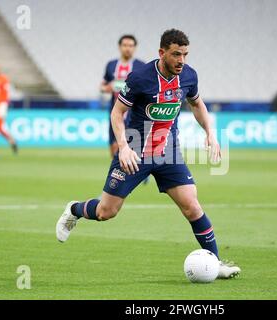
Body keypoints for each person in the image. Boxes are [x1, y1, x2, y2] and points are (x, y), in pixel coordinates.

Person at [57, 29, 241, 279]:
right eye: (176, 54)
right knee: (105, 212)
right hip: (134, 150)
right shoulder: (141, 77)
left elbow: (197, 104)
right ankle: (74, 210)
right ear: (162, 52)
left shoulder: (188, 76)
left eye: (185, 54)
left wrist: (210, 132)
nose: (181, 60)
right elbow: (116, 113)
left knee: (192, 207)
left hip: (168, 152)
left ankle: (215, 263)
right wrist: (122, 147)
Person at [101, 35, 145, 157]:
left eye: (131, 46)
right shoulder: (111, 65)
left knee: (135, 148)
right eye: (125, 45)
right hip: (115, 111)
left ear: (135, 48)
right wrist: (108, 88)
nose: (127, 48)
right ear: (120, 47)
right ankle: (118, 173)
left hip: (134, 114)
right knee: (114, 148)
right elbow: (102, 86)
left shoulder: (141, 66)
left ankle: (139, 175)